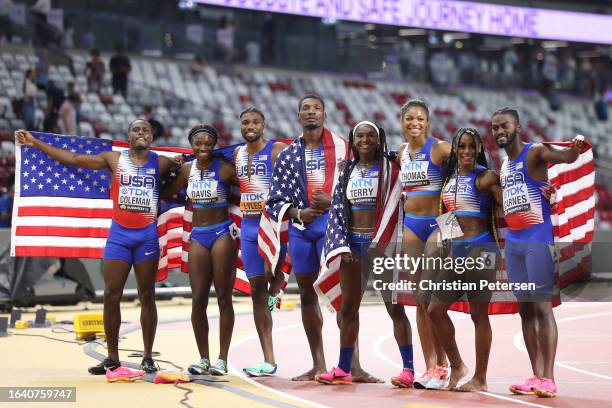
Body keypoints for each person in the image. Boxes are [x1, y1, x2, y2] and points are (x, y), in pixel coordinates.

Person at [16, 120, 181, 381]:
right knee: (111, 294)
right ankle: (113, 358)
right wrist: (35, 142)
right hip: (119, 236)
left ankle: (148, 357)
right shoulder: (113, 158)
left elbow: (190, 165)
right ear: (128, 135)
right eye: (136, 129)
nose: (141, 133)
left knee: (147, 294)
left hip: (146, 237)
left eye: (145, 130)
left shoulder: (162, 162)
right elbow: (72, 158)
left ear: (152, 136)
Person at [264, 94, 379, 382]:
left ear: (325, 115)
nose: (311, 113)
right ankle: (318, 363)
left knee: (345, 298)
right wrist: (299, 213)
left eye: (316, 108)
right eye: (306, 109)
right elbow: (274, 200)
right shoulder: (288, 154)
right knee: (306, 296)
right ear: (298, 116)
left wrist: (334, 201)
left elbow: (364, 182)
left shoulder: (344, 148)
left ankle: (353, 365)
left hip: (336, 228)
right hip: (303, 231)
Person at [492, 108, 584, 398]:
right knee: (525, 310)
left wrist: (576, 148)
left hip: (537, 239)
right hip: (515, 244)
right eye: (494, 128)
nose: (498, 131)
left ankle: (550, 378)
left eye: (504, 126)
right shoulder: (504, 166)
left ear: (518, 127)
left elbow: (567, 157)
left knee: (542, 308)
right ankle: (535, 375)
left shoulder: (535, 152)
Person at [316, 121, 414, 387]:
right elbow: (337, 209)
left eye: (371, 135)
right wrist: (342, 245)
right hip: (354, 247)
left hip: (382, 244)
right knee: (348, 309)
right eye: (360, 136)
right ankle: (343, 368)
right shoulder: (346, 171)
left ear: (379, 139)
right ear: (353, 139)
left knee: (395, 307)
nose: (365, 140)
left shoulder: (391, 168)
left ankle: (408, 370)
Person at [426, 128, 502, 392]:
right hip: (455, 252)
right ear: (455, 150)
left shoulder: (486, 177)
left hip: (481, 249)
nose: (467, 151)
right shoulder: (450, 179)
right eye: (462, 147)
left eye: (472, 146)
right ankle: (457, 365)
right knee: (435, 310)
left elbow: (509, 207)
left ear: (479, 147)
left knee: (478, 314)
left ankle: (480, 378)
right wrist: (448, 239)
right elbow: (447, 211)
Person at [164, 124, 237, 376]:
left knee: (224, 297)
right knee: (198, 299)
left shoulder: (226, 169)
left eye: (208, 144)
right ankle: (203, 358)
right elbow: (168, 193)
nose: (203, 148)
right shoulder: (187, 169)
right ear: (191, 145)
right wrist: (169, 168)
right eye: (198, 144)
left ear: (214, 145)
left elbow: (251, 185)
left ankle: (222, 359)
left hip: (221, 233)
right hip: (197, 236)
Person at [397, 99, 451, 389]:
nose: (414, 122)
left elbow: (472, 166)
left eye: (419, 118)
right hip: (411, 226)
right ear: (402, 121)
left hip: (437, 225)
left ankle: (443, 365)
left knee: (431, 298)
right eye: (409, 118)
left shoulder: (440, 148)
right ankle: (430, 366)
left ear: (427, 121)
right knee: (419, 298)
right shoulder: (401, 153)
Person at [232, 107, 287, 376]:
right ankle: (268, 359)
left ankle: (277, 288)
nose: (250, 126)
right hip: (248, 227)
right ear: (240, 126)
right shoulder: (237, 154)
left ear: (264, 125)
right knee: (256, 293)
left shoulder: (276, 151)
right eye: (245, 122)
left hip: (272, 226)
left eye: (255, 122)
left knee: (271, 279)